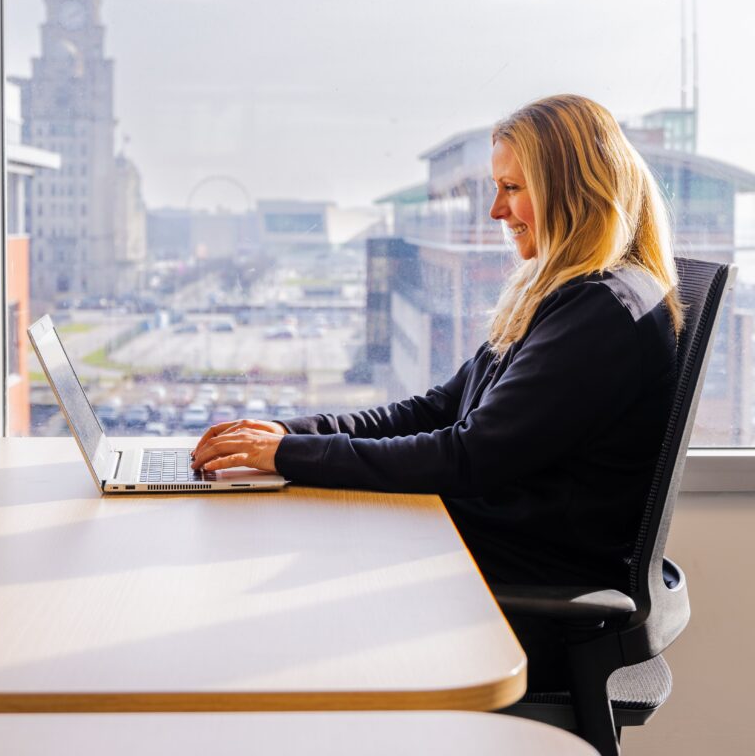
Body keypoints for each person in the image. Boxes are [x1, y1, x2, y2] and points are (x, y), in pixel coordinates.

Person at [192, 94, 681, 689]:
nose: (496, 210)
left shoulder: (599, 312)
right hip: (496, 542)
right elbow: (437, 408)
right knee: (302, 526)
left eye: (512, 188)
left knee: (296, 555)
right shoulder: (564, 292)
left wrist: (288, 457)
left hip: (529, 576)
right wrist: (290, 434)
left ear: (572, 190)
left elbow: (468, 456)